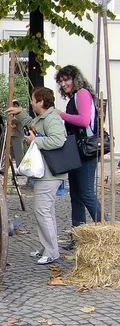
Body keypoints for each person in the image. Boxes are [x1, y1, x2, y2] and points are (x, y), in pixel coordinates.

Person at [7, 87, 66, 265]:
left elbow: (58, 140)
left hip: (50, 174)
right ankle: (47, 247)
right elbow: (32, 124)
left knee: (43, 211)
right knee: (45, 212)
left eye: (33, 99)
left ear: (41, 101)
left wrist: (36, 141)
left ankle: (52, 252)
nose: (31, 102)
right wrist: (21, 113)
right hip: (46, 173)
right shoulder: (44, 117)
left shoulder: (52, 118)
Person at [55, 65, 102, 250]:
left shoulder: (82, 93)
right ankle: (78, 238)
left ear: (75, 79)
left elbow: (84, 120)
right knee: (75, 196)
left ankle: (107, 231)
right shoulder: (75, 96)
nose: (63, 83)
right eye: (61, 81)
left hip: (86, 152)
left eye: (66, 79)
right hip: (77, 151)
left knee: (86, 194)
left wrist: (61, 115)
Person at [9, 100, 25, 167]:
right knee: (9, 152)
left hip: (17, 135)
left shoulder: (20, 113)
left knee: (18, 153)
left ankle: (20, 168)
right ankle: (4, 168)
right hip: (12, 135)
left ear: (15, 106)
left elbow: (15, 121)